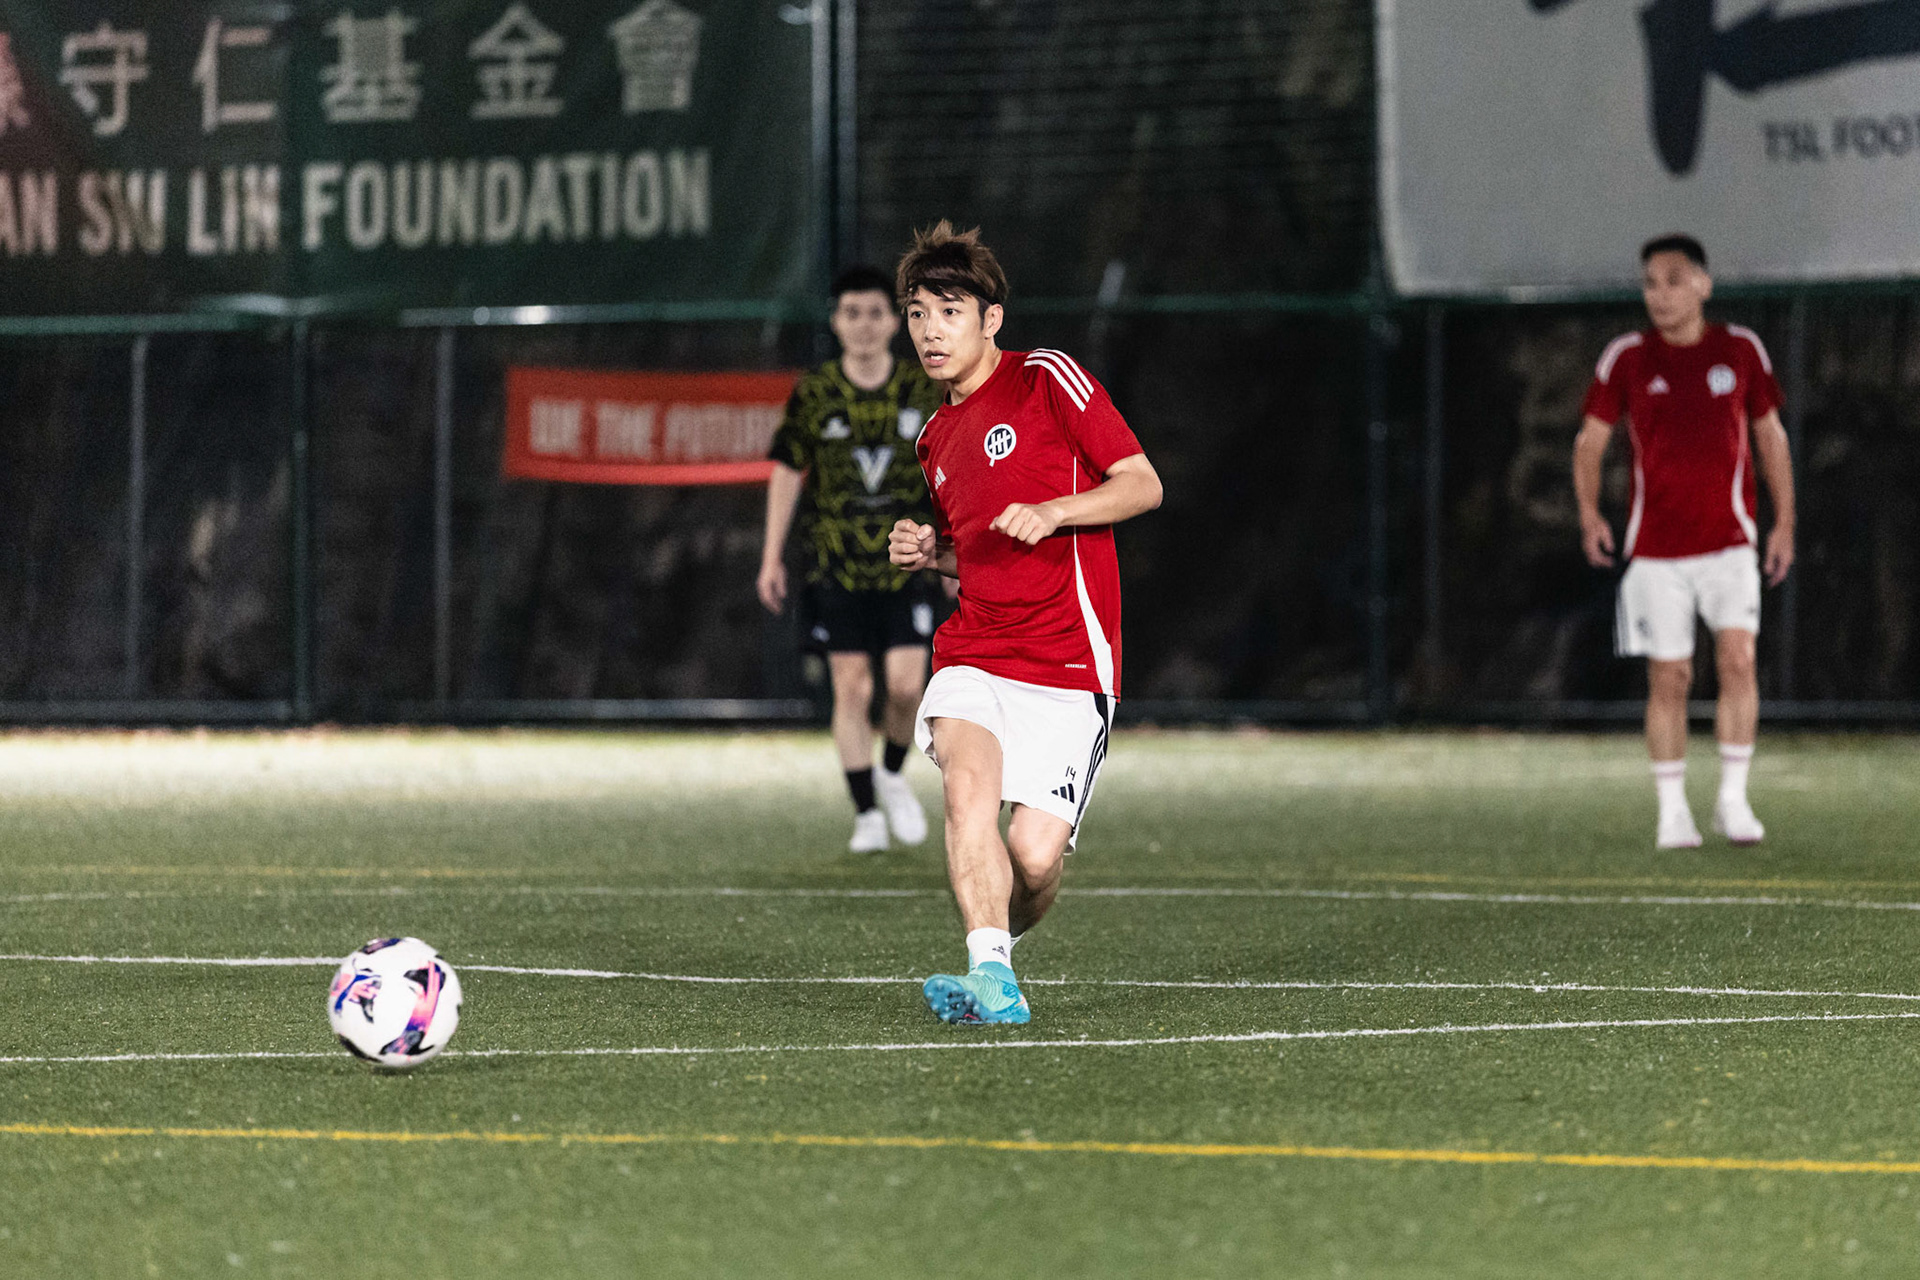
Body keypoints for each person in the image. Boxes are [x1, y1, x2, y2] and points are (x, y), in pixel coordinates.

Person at [887, 222, 1162, 1024]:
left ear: (991, 319)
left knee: (1033, 861)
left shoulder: (1048, 380)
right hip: (976, 652)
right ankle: (992, 981)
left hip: (1073, 668)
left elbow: (1142, 484)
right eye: (917, 313)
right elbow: (982, 550)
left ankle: (997, 953)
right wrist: (931, 552)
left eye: (948, 310)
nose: (930, 331)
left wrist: (1056, 509)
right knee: (968, 795)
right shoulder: (933, 439)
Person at [1573, 233, 1796, 850]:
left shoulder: (1741, 349)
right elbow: (1589, 443)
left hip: (1730, 544)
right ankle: (1672, 811)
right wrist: (1589, 513)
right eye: (1650, 282)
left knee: (1738, 662)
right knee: (1669, 677)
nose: (1660, 294)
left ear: (1704, 284)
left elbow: (1770, 437)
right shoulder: (1626, 357)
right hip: (1655, 555)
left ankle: (1732, 800)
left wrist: (1784, 523)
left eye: (1674, 280)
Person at [760, 266, 946, 852]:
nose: (864, 325)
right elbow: (788, 471)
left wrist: (953, 552)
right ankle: (866, 812)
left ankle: (891, 772)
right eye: (851, 313)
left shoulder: (922, 390)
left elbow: (951, 473)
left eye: (876, 313)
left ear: (896, 322)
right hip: (836, 567)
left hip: (909, 561)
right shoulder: (816, 392)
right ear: (837, 322)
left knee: (905, 687)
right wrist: (771, 556)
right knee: (851, 688)